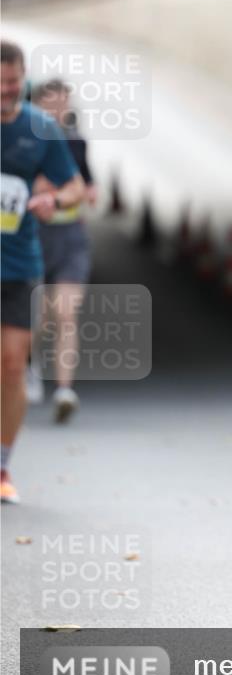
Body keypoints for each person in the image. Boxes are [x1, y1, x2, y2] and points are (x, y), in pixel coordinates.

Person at [1, 41, 84, 503]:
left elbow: (73, 185)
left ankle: (2, 466)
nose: (6, 93)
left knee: (12, 366)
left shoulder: (41, 128)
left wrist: (56, 200)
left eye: (12, 83)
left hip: (17, 264)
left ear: (23, 77)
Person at [29, 78, 96, 422]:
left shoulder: (76, 144)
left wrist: (85, 192)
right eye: (51, 105)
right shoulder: (23, 144)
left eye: (63, 105)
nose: (58, 112)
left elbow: (88, 185)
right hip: (34, 237)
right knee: (38, 318)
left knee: (66, 314)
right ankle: (29, 362)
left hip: (70, 238)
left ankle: (64, 390)